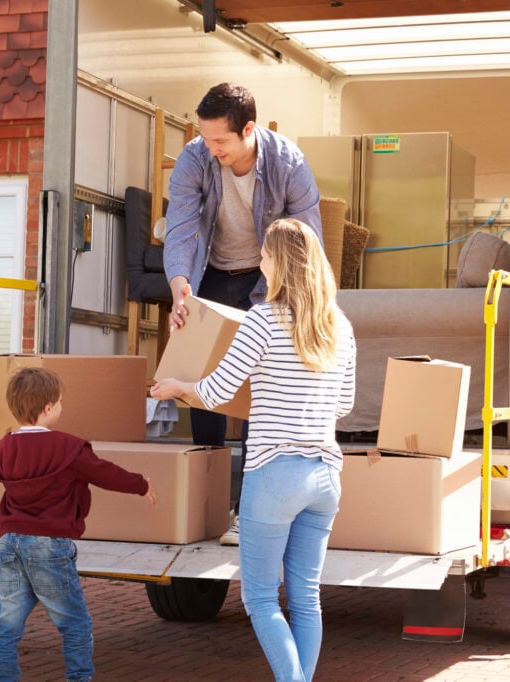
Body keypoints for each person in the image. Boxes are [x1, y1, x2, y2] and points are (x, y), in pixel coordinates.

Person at [152, 218, 355, 682]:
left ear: (279, 262)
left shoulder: (262, 320)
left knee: (261, 598)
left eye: (264, 254)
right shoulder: (340, 326)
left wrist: (178, 386)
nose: (259, 261)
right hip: (325, 475)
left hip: (274, 473)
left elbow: (218, 390)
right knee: (306, 597)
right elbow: (343, 405)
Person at [163, 82, 323, 545]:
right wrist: (179, 287)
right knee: (203, 383)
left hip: (268, 279)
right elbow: (181, 227)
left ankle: (249, 511)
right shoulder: (195, 158)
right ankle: (206, 505)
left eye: (220, 141)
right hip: (210, 274)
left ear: (248, 130)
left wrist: (290, 305)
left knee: (261, 388)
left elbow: (306, 241)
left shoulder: (288, 163)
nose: (210, 148)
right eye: (204, 137)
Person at [0, 367, 158, 682]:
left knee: (7, 622)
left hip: (10, 542)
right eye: (61, 401)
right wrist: (140, 484)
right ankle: (79, 677)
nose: (61, 407)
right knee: (74, 622)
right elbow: (104, 472)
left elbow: (3, 476)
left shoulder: (3, 447)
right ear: (48, 407)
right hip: (49, 544)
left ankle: (1, 677)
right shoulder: (68, 448)